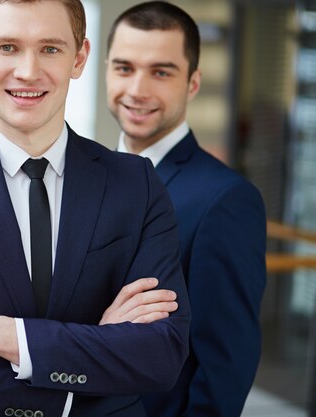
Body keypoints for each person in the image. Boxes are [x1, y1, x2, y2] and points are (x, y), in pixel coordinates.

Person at [0, 1, 190, 415]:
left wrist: (6, 336)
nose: (28, 71)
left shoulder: (135, 183)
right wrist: (90, 357)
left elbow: (160, 355)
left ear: (79, 58)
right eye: (7, 47)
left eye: (50, 49)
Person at [105, 2, 267, 416]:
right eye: (124, 68)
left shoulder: (227, 201)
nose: (137, 89)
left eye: (161, 72)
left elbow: (226, 363)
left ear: (193, 83)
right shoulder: (85, 175)